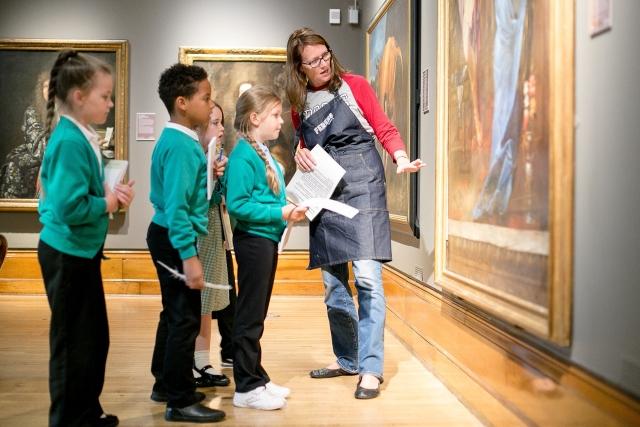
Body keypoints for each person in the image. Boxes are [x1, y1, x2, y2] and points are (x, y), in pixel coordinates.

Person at [284, 28, 425, 400]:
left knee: (367, 279)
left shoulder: (356, 85)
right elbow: (307, 142)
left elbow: (383, 127)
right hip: (325, 190)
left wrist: (401, 158)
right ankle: (348, 358)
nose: (323, 64)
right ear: (299, 69)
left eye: (325, 55)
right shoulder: (298, 105)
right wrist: (299, 151)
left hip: (362, 184)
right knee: (333, 285)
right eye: (313, 61)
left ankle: (371, 369)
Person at [37, 50, 135, 427]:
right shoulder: (69, 140)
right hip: (66, 254)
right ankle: (67, 418)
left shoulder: (80, 135)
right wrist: (107, 201)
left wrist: (109, 196)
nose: (110, 104)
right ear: (79, 96)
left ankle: (85, 412)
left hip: (81, 252)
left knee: (92, 341)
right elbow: (68, 208)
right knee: (71, 345)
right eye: (105, 96)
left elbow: (81, 196)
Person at [147, 63, 224, 423]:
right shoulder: (179, 146)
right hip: (173, 239)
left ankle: (165, 382)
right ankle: (178, 400)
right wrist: (189, 257)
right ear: (182, 102)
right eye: (205, 98)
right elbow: (177, 210)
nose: (211, 106)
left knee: (175, 314)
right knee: (184, 319)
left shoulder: (181, 141)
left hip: (167, 236)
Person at [224, 85, 307, 410]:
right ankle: (246, 387)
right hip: (254, 241)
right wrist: (280, 212)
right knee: (249, 314)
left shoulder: (262, 152)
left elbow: (268, 196)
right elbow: (238, 204)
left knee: (256, 312)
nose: (280, 122)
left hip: (266, 240)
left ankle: (255, 375)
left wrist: (289, 208)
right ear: (255, 118)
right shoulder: (244, 155)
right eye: (274, 115)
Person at [192, 101, 233, 387]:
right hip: (200, 230)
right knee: (199, 302)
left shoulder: (217, 155)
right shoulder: (194, 154)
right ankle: (195, 363)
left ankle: (202, 361)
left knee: (207, 303)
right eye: (214, 123)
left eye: (221, 123)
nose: (220, 129)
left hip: (214, 228)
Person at [0, 72, 50, 198]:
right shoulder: (33, 111)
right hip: (38, 152)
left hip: (63, 152)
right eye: (45, 86)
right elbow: (35, 142)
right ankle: (14, 209)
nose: (48, 90)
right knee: (16, 164)